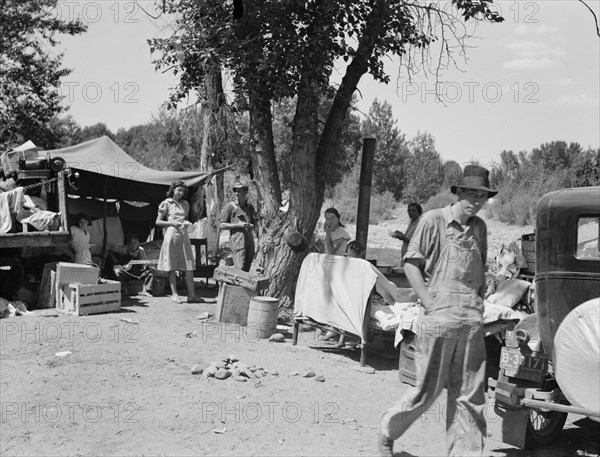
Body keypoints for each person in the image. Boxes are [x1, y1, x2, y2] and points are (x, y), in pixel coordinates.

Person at [378, 165, 497, 457]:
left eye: (482, 196)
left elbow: (479, 271)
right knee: (425, 392)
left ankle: (465, 453)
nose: (476, 201)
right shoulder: (432, 221)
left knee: (470, 397)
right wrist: (430, 303)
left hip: (470, 324)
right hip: (438, 321)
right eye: (471, 194)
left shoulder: (480, 227)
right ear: (457, 193)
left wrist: (479, 308)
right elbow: (410, 264)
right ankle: (387, 432)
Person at [155, 181, 202, 304]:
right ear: (173, 190)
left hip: (183, 235)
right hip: (171, 234)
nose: (181, 193)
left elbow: (184, 220)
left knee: (189, 266)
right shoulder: (166, 203)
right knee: (172, 266)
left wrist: (187, 224)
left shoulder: (185, 204)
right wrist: (172, 223)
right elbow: (158, 222)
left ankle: (192, 295)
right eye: (179, 190)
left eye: (183, 191)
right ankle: (174, 294)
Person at [220, 181, 257, 272]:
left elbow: (255, 223)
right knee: (239, 269)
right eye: (235, 191)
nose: (236, 193)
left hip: (249, 241)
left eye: (239, 191)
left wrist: (252, 226)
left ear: (245, 192)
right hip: (237, 242)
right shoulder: (230, 206)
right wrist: (238, 225)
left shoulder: (250, 207)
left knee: (247, 270)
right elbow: (222, 225)